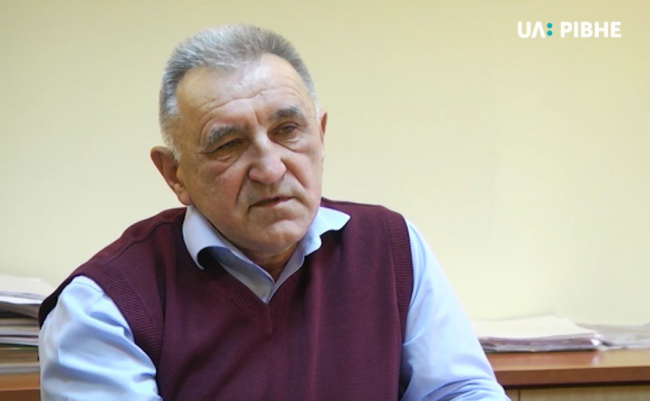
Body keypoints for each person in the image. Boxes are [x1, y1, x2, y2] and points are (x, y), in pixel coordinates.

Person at [38, 24, 507, 400]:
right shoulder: (104, 305)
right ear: (174, 174)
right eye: (228, 144)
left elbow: (460, 390)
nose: (269, 168)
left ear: (320, 135)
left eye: (287, 130)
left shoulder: (390, 245)